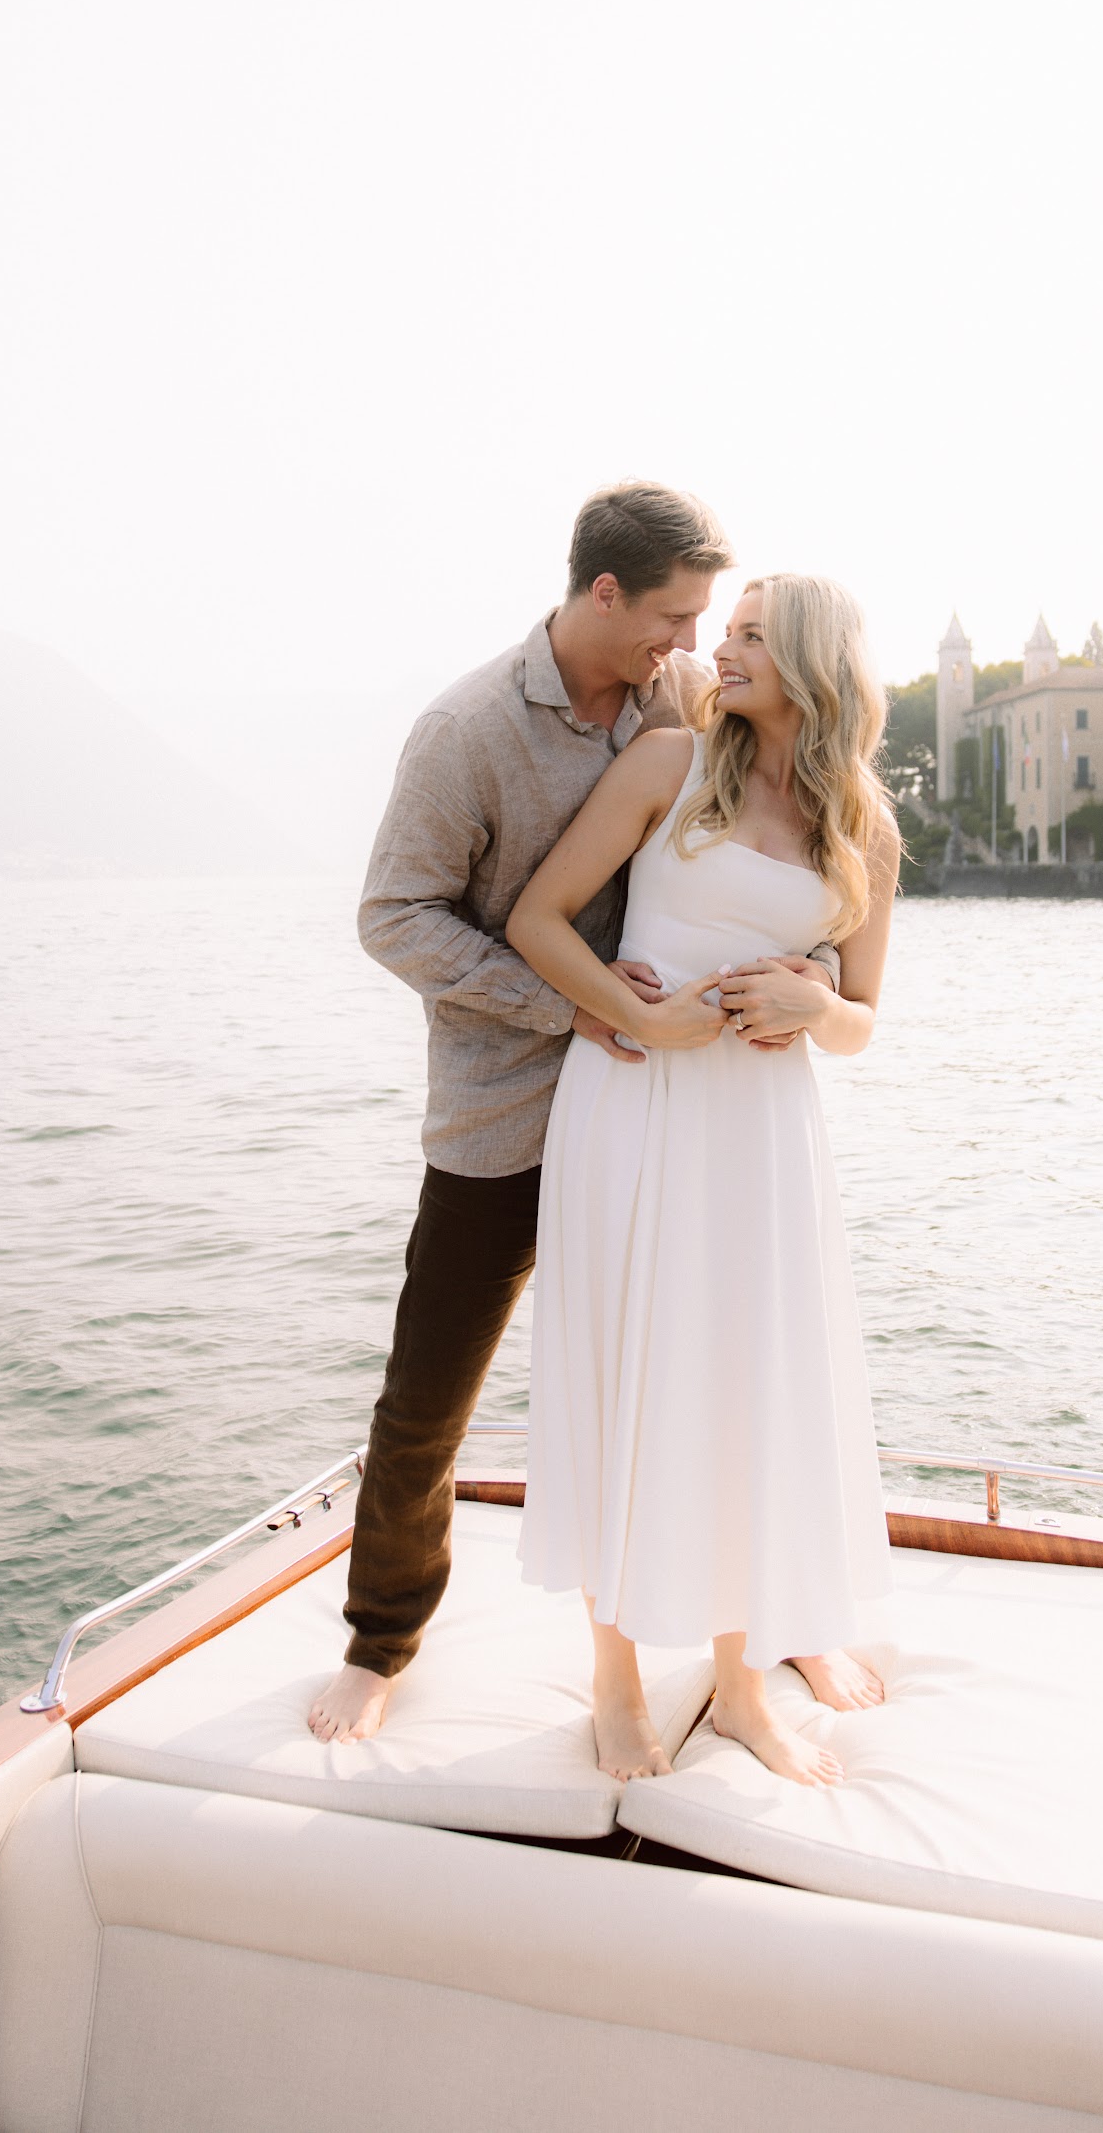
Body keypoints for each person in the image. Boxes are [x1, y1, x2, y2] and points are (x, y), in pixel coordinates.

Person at [307, 484, 734, 1743]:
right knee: (428, 1398)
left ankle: (752, 1628)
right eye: (673, 615)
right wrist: (571, 1005)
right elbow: (392, 916)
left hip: (660, 1105)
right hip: (505, 1115)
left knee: (702, 1372)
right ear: (602, 591)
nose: (691, 641)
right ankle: (379, 1643)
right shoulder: (467, 730)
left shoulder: (680, 698)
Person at [507, 574, 899, 1787]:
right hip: (632, 1101)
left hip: (760, 1137)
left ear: (815, 665)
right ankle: (615, 1678)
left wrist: (813, 1002)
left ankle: (738, 1684)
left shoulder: (863, 829)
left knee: (746, 1387)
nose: (717, 651)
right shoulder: (667, 764)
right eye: (721, 633)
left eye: (748, 638)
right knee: (619, 1370)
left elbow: (862, 1020)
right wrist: (636, 1014)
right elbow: (538, 920)